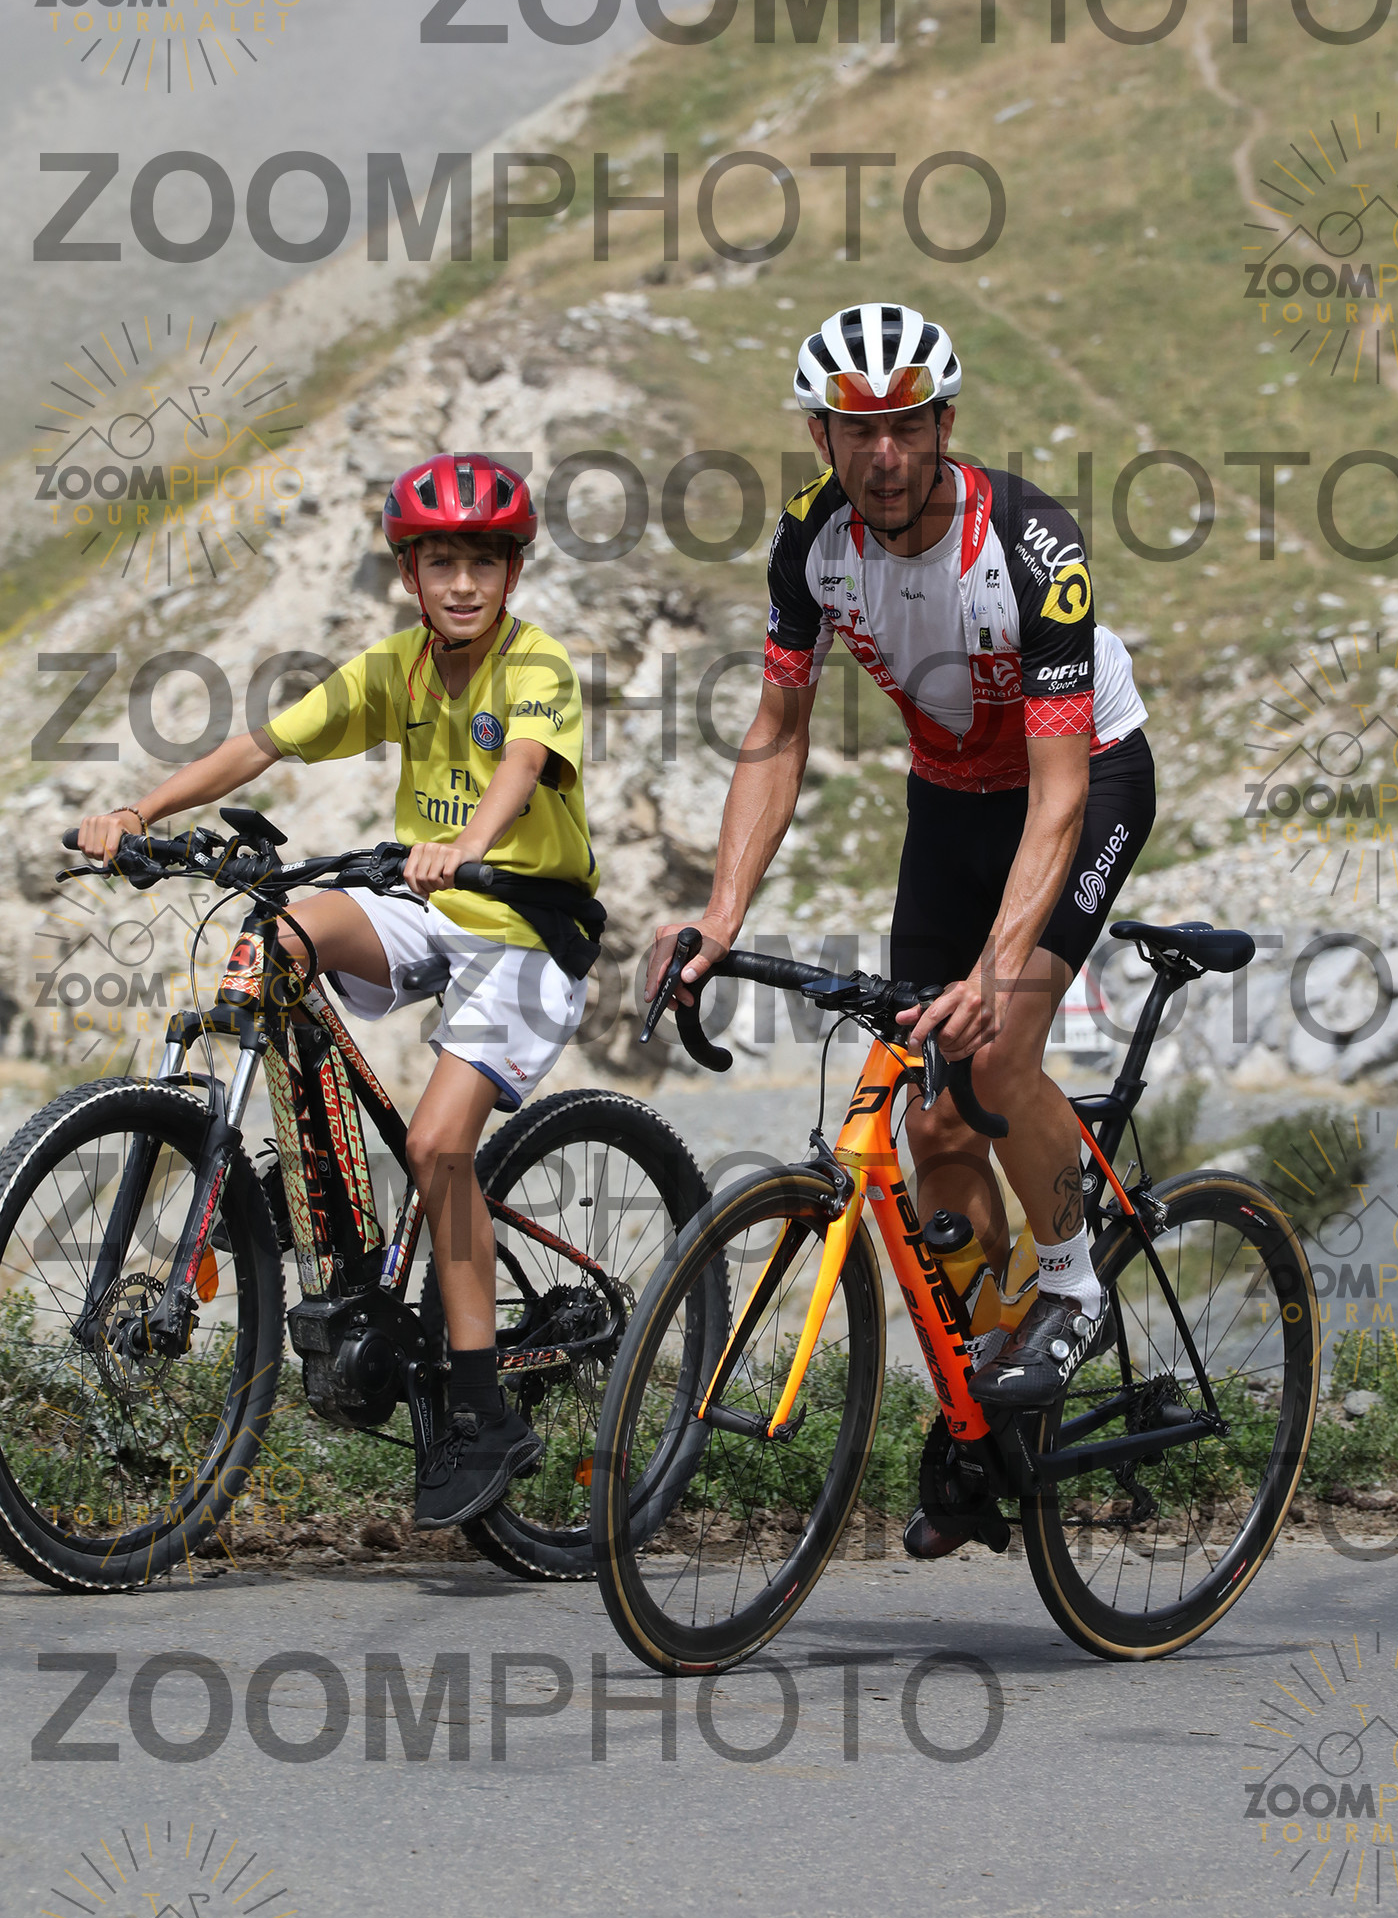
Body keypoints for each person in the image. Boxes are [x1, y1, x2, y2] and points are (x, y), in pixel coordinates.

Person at [647, 302, 1157, 1557]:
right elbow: (777, 733)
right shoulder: (809, 542)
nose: (882, 456)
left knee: (996, 1048)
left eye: (906, 427)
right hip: (951, 798)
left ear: (944, 424)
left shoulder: (1031, 544)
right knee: (930, 1122)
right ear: (820, 435)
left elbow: (1059, 796)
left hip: (1083, 780)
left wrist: (996, 969)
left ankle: (1073, 1284)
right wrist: (718, 917)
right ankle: (989, 1407)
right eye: (855, 431)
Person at [74, 453, 599, 1530]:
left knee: (439, 1148)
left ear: (513, 572)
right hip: (428, 902)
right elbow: (259, 745)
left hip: (528, 926)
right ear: (410, 574)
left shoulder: (537, 664)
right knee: (278, 937)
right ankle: (308, 1198)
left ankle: (480, 1408)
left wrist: (469, 842)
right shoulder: (396, 668)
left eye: (483, 563)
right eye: (440, 562)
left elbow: (518, 766)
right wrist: (140, 813)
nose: (462, 583)